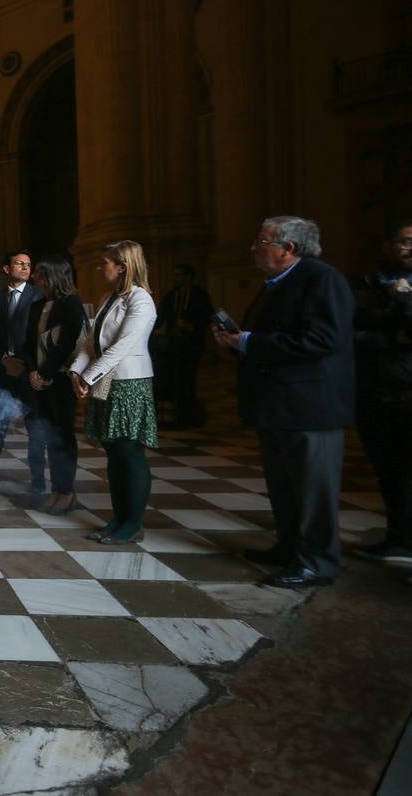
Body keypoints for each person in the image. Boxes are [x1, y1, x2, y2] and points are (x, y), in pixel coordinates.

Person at [213, 216, 354, 588]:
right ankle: (290, 546)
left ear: (288, 249)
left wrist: (246, 342)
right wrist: (237, 343)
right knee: (286, 486)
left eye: (261, 241)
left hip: (309, 407)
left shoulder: (322, 279)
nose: (253, 248)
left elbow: (323, 340)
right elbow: (267, 340)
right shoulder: (277, 284)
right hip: (279, 406)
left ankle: (317, 561)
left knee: (312, 490)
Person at [69, 240, 158, 545]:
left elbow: (123, 346)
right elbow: (91, 342)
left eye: (104, 262)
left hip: (129, 382)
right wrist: (75, 370)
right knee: (113, 452)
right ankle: (119, 517)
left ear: (122, 266)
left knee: (129, 452)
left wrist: (89, 375)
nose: (99, 267)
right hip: (106, 380)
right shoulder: (109, 297)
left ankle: (132, 523)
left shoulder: (140, 299)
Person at [351, 220, 412, 568]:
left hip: (408, 390)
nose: (408, 249)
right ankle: (398, 537)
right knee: (387, 470)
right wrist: (393, 333)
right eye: (403, 242)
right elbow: (351, 332)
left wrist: (402, 302)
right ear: (388, 246)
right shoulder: (368, 283)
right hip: (375, 388)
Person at [23, 256, 88, 515]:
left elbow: (69, 342)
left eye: (39, 272)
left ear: (54, 275)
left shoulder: (71, 303)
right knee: (49, 436)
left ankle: (67, 492)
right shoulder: (37, 305)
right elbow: (27, 343)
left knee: (63, 436)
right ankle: (56, 491)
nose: (34, 277)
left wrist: (46, 372)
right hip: (40, 379)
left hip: (60, 378)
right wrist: (32, 372)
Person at [0, 249, 44, 497]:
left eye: (28, 263)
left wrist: (24, 363)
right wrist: (5, 359)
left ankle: (38, 480)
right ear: (6, 269)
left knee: (35, 425)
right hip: (4, 370)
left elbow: (39, 335)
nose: (26, 267)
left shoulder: (39, 296)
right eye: (19, 263)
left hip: (29, 371)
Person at [152, 264, 212, 429]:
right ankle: (178, 415)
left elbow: (207, 316)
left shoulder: (200, 295)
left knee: (188, 380)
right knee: (174, 378)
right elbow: (160, 316)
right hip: (173, 344)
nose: (175, 278)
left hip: (191, 344)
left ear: (188, 276)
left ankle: (186, 416)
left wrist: (192, 326)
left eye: (179, 275)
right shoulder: (172, 295)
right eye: (174, 275)